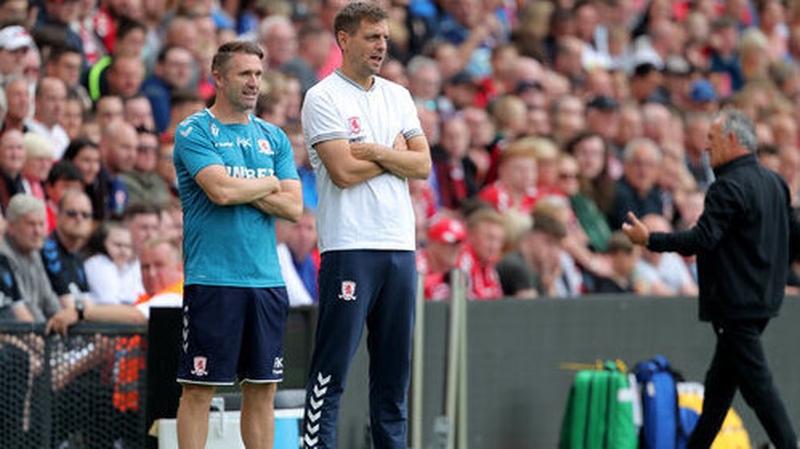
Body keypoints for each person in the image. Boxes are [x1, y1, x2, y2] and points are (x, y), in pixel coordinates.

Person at [623, 109, 799, 448]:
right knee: (719, 389)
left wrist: (650, 239)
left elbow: (700, 239)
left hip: (734, 306)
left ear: (733, 140)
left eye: (713, 139)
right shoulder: (775, 182)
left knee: (759, 388)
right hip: (764, 301)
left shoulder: (727, 187)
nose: (706, 147)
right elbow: (794, 236)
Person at [299, 3, 431, 448]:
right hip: (349, 246)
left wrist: (371, 151)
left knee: (394, 376)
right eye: (372, 37)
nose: (382, 46)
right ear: (344, 39)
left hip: (398, 246)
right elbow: (342, 172)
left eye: (385, 37)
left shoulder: (398, 95)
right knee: (331, 371)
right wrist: (391, 154)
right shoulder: (323, 97)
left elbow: (424, 164)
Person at [173, 40, 301, 449]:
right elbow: (219, 192)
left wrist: (240, 185)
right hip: (213, 277)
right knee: (198, 388)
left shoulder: (275, 137)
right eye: (245, 73)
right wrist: (266, 183)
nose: (253, 82)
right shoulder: (194, 130)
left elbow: (294, 207)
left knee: (262, 388)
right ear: (218, 77)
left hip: (266, 280)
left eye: (258, 75)